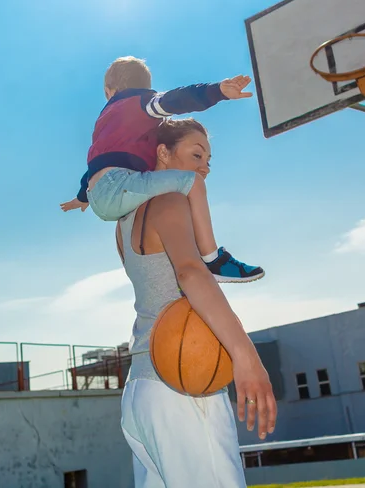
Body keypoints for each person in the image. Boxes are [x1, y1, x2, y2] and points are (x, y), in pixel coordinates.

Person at [116, 117, 277, 487]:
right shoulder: (171, 200)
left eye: (208, 159)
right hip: (183, 388)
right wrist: (246, 356)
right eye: (196, 154)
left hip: (141, 390)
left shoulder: (124, 220)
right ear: (163, 152)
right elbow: (191, 273)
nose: (205, 166)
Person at [61, 56, 263, 283]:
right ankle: (213, 260)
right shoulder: (140, 103)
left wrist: (81, 198)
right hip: (119, 186)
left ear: (109, 92)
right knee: (193, 182)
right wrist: (217, 91)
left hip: (98, 194)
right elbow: (176, 99)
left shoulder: (105, 123)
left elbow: (97, 163)